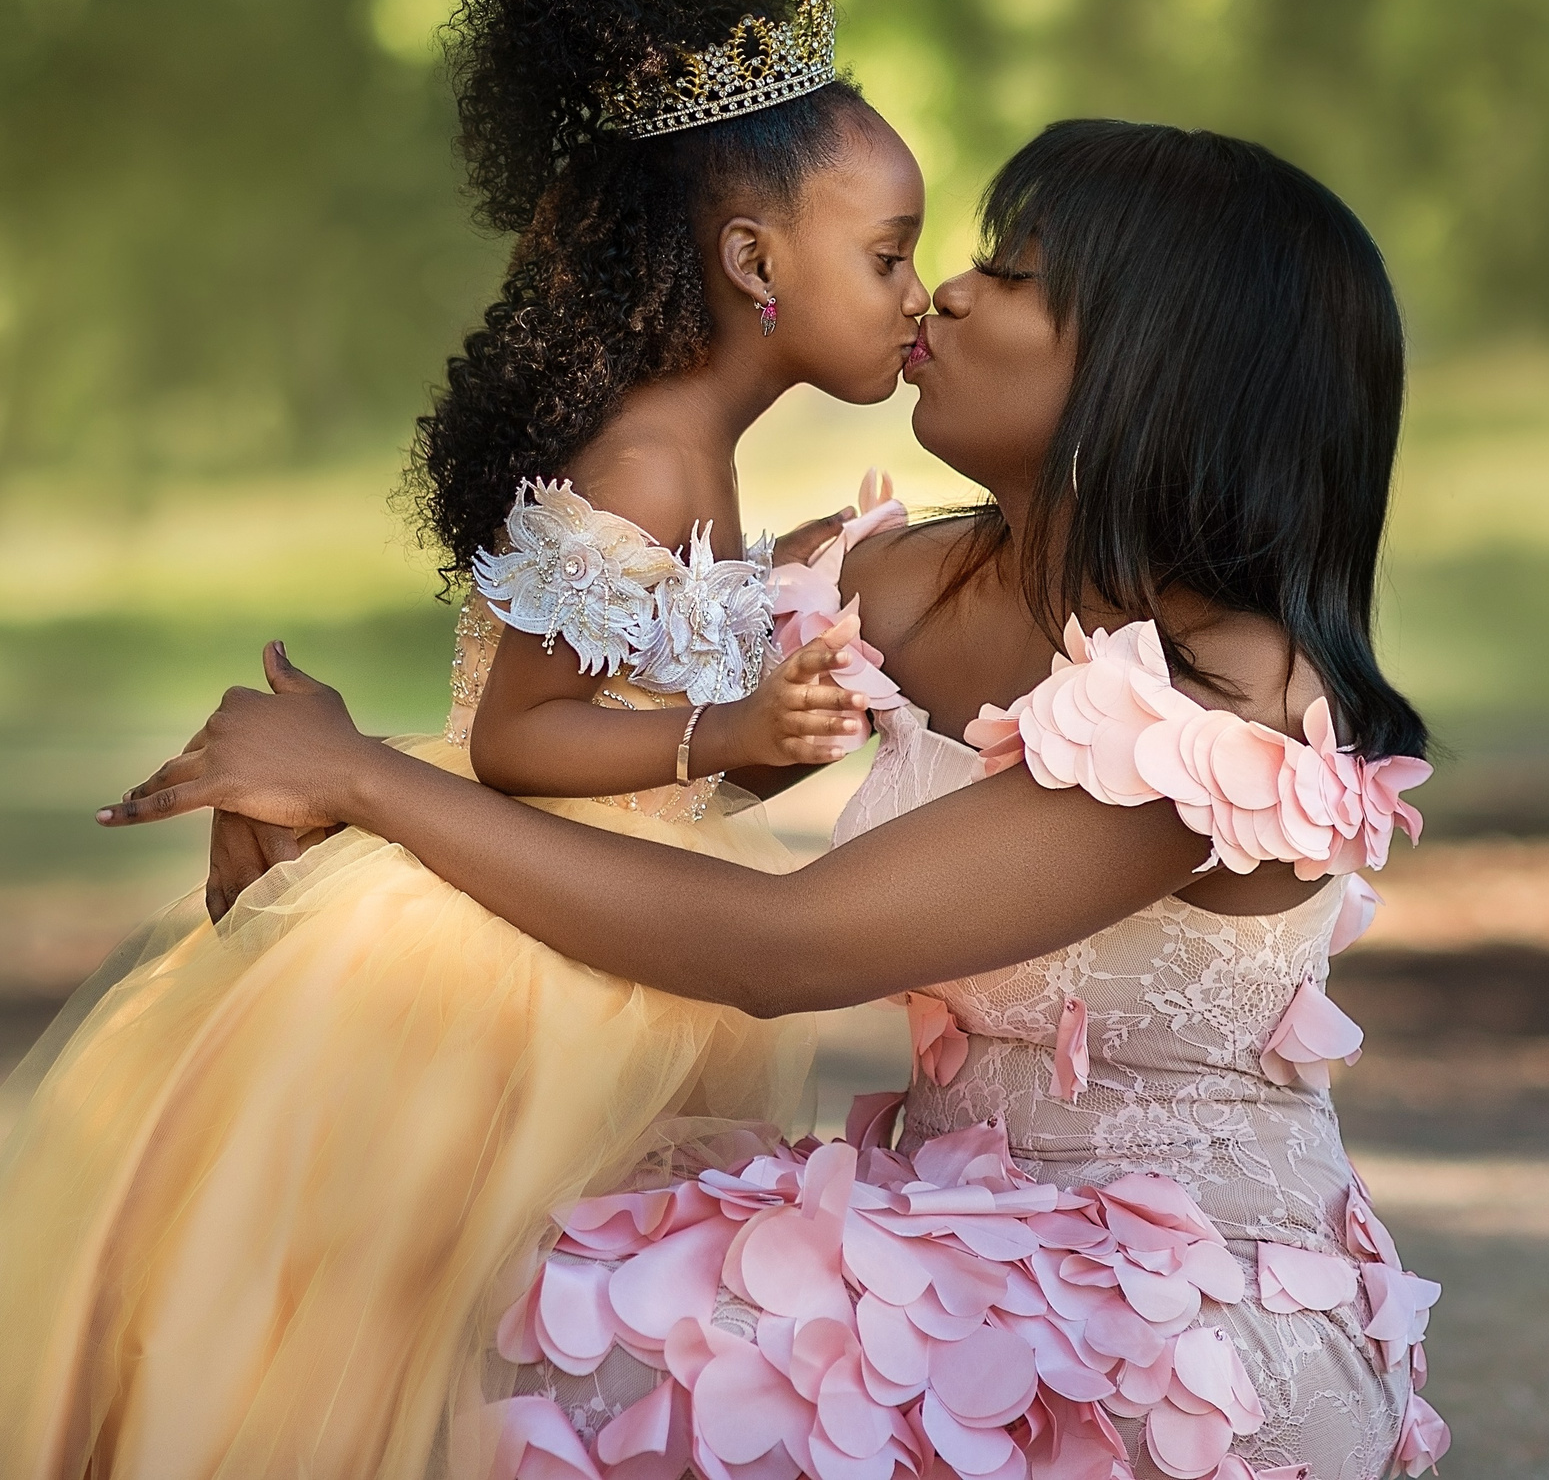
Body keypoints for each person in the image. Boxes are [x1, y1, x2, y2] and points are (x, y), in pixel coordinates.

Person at [0, 0, 928, 1480]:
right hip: (510, 966)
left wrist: (777, 721)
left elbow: (653, 743)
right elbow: (522, 738)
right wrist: (734, 722)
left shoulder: (706, 452)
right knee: (396, 1314)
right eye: (891, 254)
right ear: (752, 259)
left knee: (531, 1321)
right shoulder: (648, 460)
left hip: (617, 912)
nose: (918, 294)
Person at [118, 121, 1454, 1479]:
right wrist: (319, 801)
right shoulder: (917, 583)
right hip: (961, 1238)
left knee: (588, 1336)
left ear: (1164, 367)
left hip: (1180, 1328)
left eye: (1017, 272)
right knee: (473, 1250)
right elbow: (622, 768)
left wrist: (368, 780)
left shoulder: (1220, 712)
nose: (949, 292)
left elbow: (782, 950)